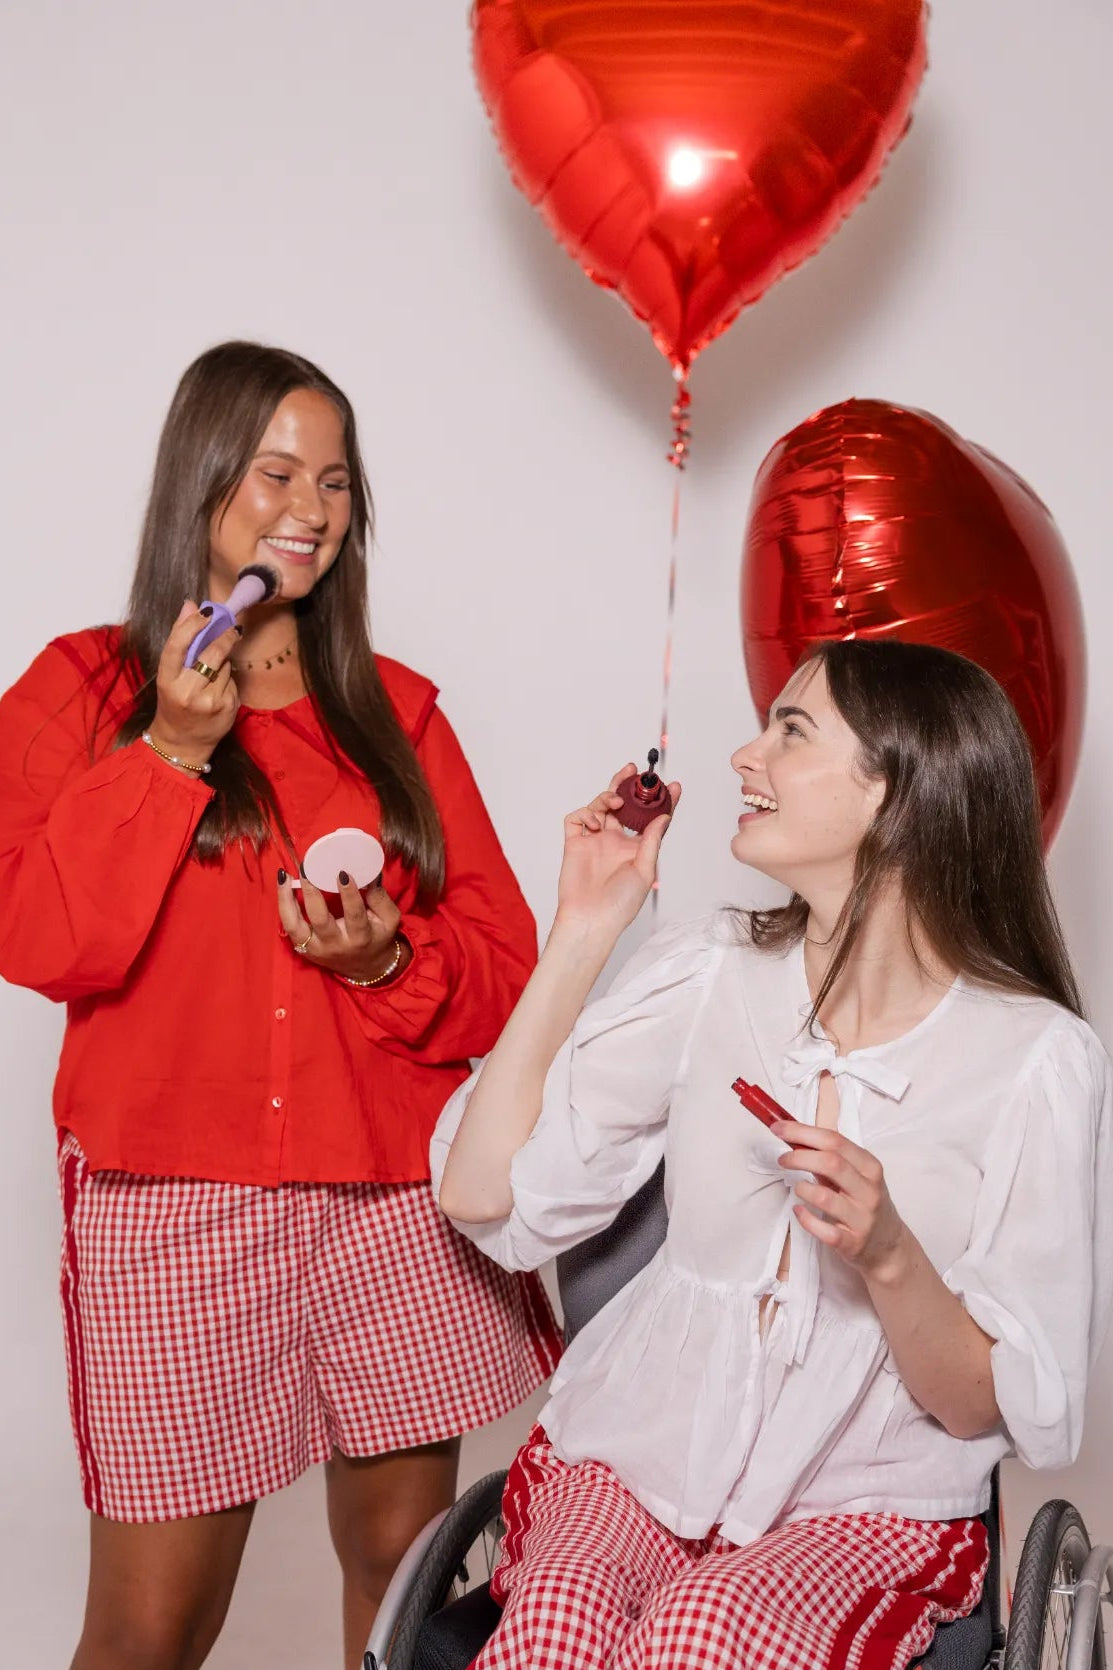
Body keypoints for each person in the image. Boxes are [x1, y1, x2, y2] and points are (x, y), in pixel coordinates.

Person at [0, 341, 561, 1670]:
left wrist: (383, 961)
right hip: (176, 1213)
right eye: (274, 472)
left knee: (400, 1590)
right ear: (201, 482)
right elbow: (37, 937)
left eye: (336, 480)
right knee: (151, 1625)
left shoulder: (397, 716)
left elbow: (502, 967)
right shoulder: (80, 693)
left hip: (391, 1215)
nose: (309, 505)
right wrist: (172, 753)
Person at [433, 638, 1113, 1670]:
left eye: (790, 731)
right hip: (637, 1454)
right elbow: (481, 1190)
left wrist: (888, 1253)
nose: (745, 757)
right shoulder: (712, 971)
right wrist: (583, 927)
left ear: (899, 790)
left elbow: (997, 1403)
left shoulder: (1034, 1060)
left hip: (865, 1502)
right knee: (550, 1630)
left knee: (697, 1634)